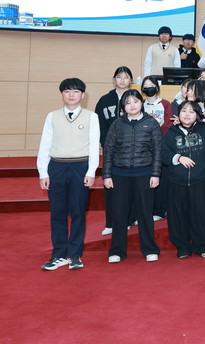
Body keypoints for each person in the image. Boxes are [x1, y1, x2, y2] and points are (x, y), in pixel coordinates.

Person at [37, 78, 100, 271]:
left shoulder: (91, 117)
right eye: (67, 91)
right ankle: (58, 254)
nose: (71, 95)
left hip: (80, 167)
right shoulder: (52, 116)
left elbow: (94, 146)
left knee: (78, 212)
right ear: (61, 94)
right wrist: (43, 172)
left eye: (75, 91)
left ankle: (74, 254)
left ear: (83, 95)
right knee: (58, 213)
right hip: (56, 167)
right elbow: (45, 145)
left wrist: (91, 171)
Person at [102, 89, 163, 263]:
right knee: (119, 213)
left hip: (144, 174)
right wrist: (106, 174)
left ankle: (150, 249)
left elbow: (157, 150)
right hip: (119, 174)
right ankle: (117, 251)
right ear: (123, 106)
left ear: (141, 103)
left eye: (135, 101)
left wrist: (155, 173)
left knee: (145, 213)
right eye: (127, 103)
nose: (132, 105)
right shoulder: (117, 124)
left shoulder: (151, 123)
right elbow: (109, 150)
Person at [162, 100, 205, 259]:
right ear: (178, 114)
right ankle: (183, 246)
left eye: (192, 111)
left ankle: (203, 246)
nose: (187, 114)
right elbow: (163, 154)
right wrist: (178, 158)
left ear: (197, 115)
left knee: (202, 215)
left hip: (200, 181)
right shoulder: (171, 133)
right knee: (178, 216)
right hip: (176, 182)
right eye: (184, 111)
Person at [95, 66, 133, 236]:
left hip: (132, 151)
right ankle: (110, 222)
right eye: (119, 77)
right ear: (114, 80)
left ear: (130, 80)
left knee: (130, 187)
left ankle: (128, 219)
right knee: (110, 186)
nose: (122, 80)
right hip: (111, 150)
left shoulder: (134, 99)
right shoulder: (105, 100)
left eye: (126, 77)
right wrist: (106, 143)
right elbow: (99, 126)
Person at [142, 76, 173, 220]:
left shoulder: (165, 104)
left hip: (161, 144)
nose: (149, 88)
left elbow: (168, 123)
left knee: (160, 177)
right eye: (146, 86)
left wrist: (155, 135)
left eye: (151, 85)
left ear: (157, 87)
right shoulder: (140, 104)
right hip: (144, 146)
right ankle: (146, 209)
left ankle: (160, 210)